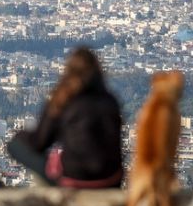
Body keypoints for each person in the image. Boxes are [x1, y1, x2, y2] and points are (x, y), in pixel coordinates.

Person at [6, 46, 123, 188]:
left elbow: (40, 143)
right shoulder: (110, 101)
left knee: (15, 145)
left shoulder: (63, 99)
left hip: (74, 177)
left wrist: (21, 136)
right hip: (110, 180)